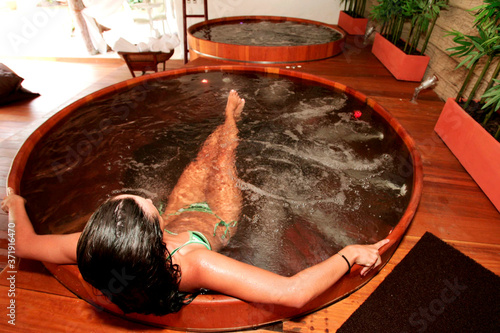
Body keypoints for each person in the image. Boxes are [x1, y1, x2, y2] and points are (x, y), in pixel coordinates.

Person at [1, 90, 389, 316]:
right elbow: (291, 293)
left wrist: (14, 200)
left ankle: (225, 119)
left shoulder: (98, 246)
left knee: (201, 159)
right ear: (152, 237)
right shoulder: (194, 264)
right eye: (145, 204)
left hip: (181, 212)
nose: (145, 196)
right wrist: (349, 252)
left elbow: (29, 245)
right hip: (216, 219)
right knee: (223, 161)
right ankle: (231, 121)